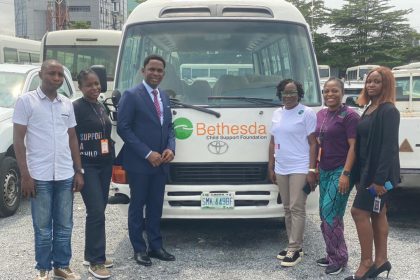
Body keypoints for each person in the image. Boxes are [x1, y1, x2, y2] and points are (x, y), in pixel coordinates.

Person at [13, 59, 84, 280]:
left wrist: (78, 170)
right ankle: (43, 268)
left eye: (60, 75)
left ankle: (61, 265)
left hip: (64, 174)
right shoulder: (26, 102)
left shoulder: (66, 104)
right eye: (52, 73)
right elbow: (18, 139)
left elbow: (72, 137)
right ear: (41, 74)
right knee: (42, 227)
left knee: (65, 225)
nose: (56, 78)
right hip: (39, 175)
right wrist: (25, 175)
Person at [117, 54, 176, 266]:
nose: (155, 74)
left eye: (159, 71)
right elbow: (124, 128)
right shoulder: (132, 95)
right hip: (140, 163)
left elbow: (169, 127)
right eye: (152, 69)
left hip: (161, 163)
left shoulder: (165, 97)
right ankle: (139, 249)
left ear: (163, 74)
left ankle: (156, 246)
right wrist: (147, 153)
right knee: (137, 206)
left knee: (155, 206)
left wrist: (170, 147)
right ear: (143, 71)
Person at [345, 67, 400, 280]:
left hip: (377, 176)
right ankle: (381, 260)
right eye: (369, 81)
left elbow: (388, 148)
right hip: (366, 172)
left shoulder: (388, 111)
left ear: (386, 85)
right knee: (378, 213)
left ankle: (367, 263)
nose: (371, 85)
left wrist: (379, 180)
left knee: (358, 212)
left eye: (377, 81)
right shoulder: (369, 108)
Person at [312, 77, 360, 275]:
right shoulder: (321, 114)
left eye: (334, 91)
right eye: (326, 91)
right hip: (324, 169)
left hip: (341, 170)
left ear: (342, 93)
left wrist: (346, 174)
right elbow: (318, 143)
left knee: (331, 213)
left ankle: (340, 257)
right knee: (324, 214)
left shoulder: (350, 116)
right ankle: (332, 254)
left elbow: (354, 147)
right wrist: (314, 168)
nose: (329, 94)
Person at [268, 79, 317, 267]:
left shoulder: (306, 113)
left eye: (292, 92)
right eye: (285, 93)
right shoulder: (277, 113)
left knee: (297, 207)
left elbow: (314, 143)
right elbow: (273, 142)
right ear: (280, 94)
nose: (288, 96)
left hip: (300, 166)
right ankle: (293, 245)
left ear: (299, 94)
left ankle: (294, 248)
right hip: (282, 167)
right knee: (287, 207)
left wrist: (312, 170)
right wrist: (270, 166)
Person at [73, 69, 114, 279]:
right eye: (89, 85)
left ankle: (93, 254)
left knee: (99, 211)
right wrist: (77, 170)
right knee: (96, 210)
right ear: (80, 87)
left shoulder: (100, 105)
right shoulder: (76, 108)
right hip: (87, 165)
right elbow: (70, 141)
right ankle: (96, 262)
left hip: (104, 165)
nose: (94, 88)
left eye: (97, 84)